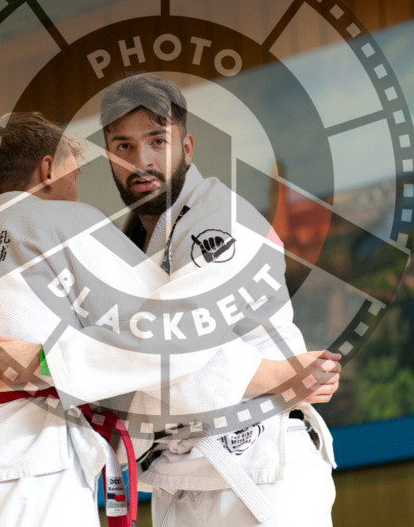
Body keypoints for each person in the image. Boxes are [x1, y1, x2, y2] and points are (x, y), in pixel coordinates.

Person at [0, 112, 338, 527]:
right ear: (48, 169)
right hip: (30, 463)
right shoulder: (64, 224)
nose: (75, 187)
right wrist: (271, 374)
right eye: (74, 173)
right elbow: (165, 336)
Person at [98, 74, 338, 526]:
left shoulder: (220, 220)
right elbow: (119, 366)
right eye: (124, 147)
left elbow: (171, 342)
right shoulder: (129, 249)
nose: (141, 161)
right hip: (183, 478)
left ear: (187, 148)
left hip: (258, 469)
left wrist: (268, 375)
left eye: (156, 140)